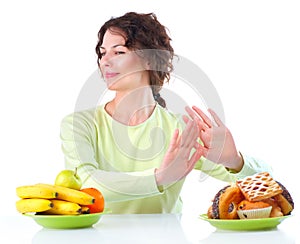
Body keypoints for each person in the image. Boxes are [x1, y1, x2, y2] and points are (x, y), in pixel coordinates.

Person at [60, 12, 272, 214]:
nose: (105, 61)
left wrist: (234, 161)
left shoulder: (182, 130)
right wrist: (160, 178)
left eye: (119, 52)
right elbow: (86, 184)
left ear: (150, 60)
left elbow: (266, 182)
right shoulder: (79, 124)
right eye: (103, 52)